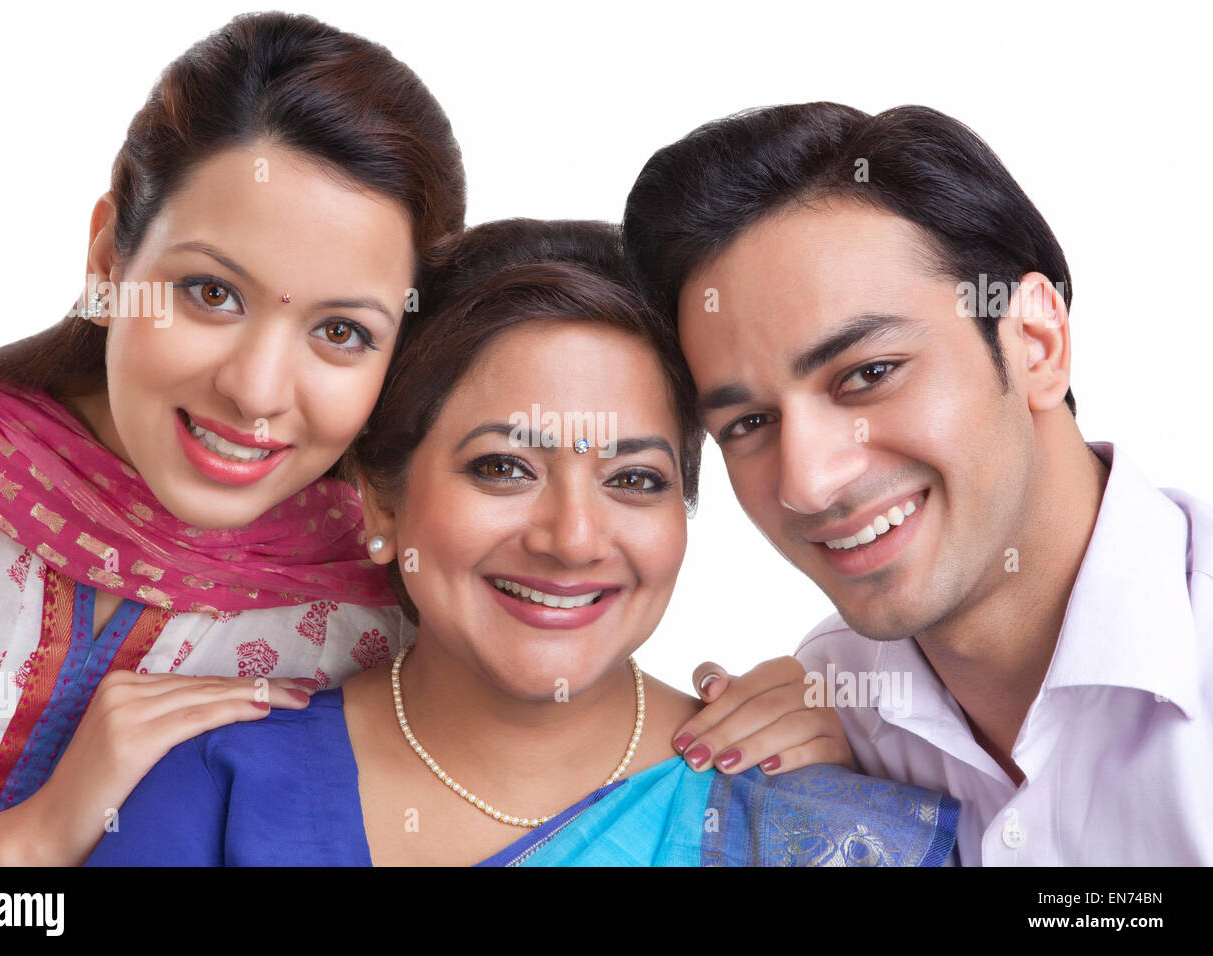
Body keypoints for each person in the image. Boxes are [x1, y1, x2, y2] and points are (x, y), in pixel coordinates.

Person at [85, 219, 959, 867]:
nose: (573, 539)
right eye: (504, 468)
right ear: (378, 502)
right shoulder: (217, 789)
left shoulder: (809, 824)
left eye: (634, 480)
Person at [0, 10, 464, 863]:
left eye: (343, 332)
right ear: (107, 262)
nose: (255, 388)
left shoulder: (389, 628)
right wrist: (36, 838)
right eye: (212, 293)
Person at [621, 101, 1213, 864]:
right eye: (748, 424)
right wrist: (838, 821)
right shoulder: (830, 708)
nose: (808, 482)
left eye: (869, 374)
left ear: (1035, 342)